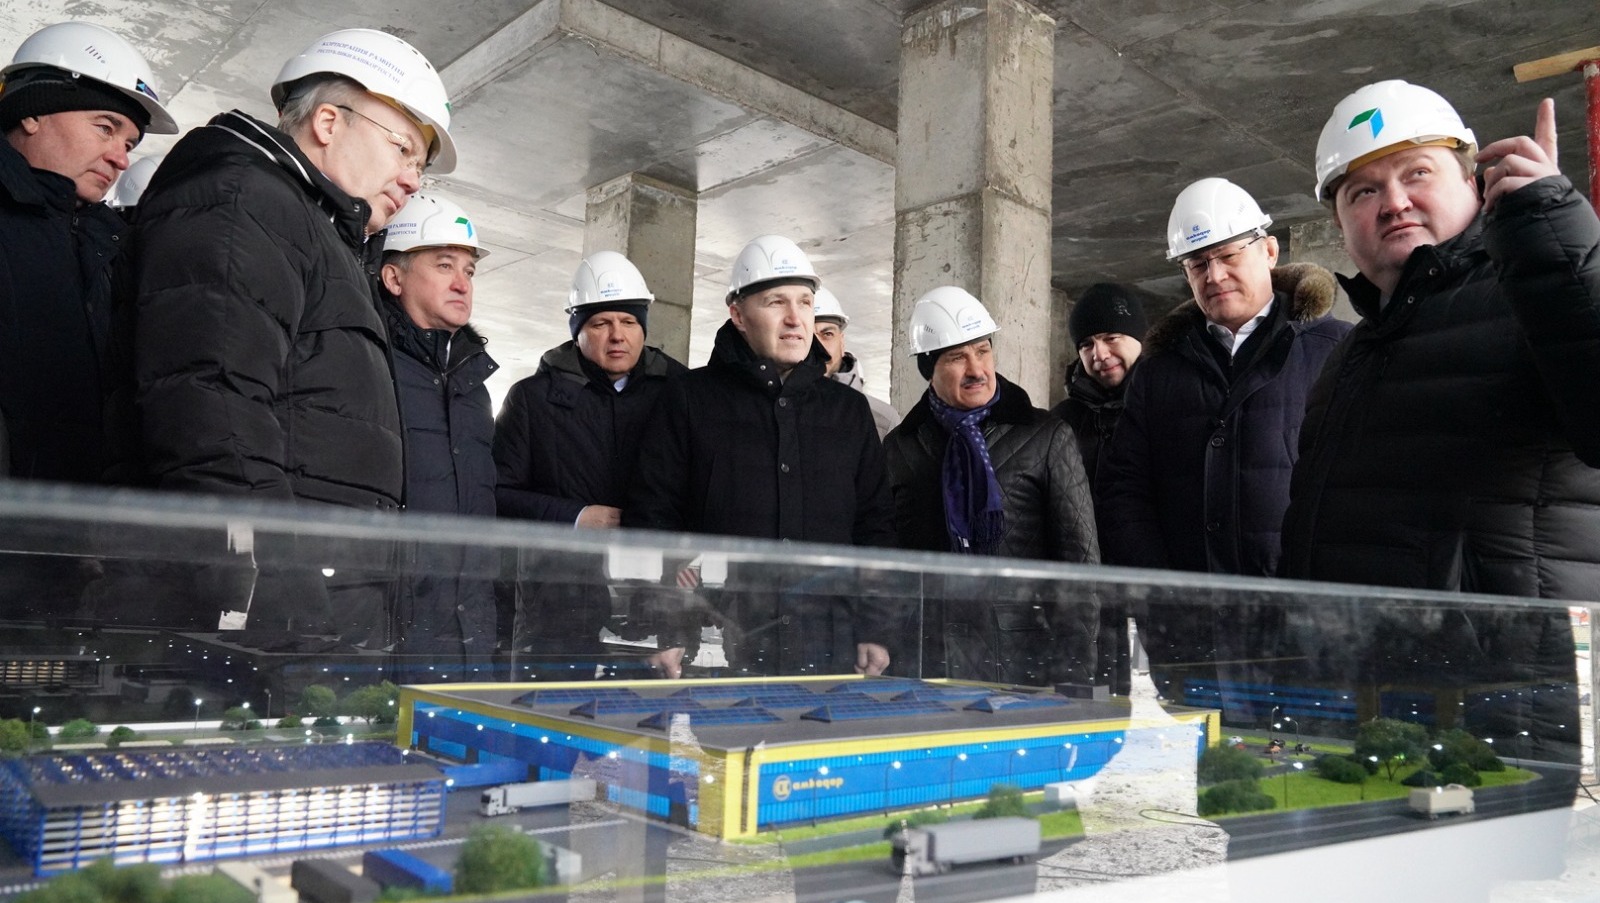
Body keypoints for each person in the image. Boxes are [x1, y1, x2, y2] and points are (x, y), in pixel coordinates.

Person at [1281, 81, 1597, 760]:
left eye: (1417, 173)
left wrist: (1554, 238)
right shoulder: (1348, 358)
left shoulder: (1533, 294)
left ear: (1474, 182)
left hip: (1512, 719)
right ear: (1341, 224)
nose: (1393, 201)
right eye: (1362, 191)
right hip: (1375, 715)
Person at [121, 28, 456, 634]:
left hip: (323, 596)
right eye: (403, 148)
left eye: (420, 166)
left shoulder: (316, 234)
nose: (412, 179)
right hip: (276, 613)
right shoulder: (245, 202)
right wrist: (279, 591)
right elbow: (214, 404)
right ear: (328, 122)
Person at [625, 235, 895, 678]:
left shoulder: (848, 412)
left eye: (805, 302)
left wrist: (876, 627)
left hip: (831, 642)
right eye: (776, 302)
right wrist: (668, 626)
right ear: (738, 314)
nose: (795, 319)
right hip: (721, 639)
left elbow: (874, 526)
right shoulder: (689, 400)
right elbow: (654, 519)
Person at [1097, 177, 1351, 577]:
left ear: (1269, 251)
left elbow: (1366, 487)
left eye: (1228, 255)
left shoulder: (1336, 349)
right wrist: (1161, 587)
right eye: (1197, 264)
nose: (1213, 275)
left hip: (1302, 603)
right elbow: (1124, 490)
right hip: (1187, 605)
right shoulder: (1156, 372)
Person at [883, 286, 1100, 685]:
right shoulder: (900, 447)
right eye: (957, 357)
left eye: (983, 351)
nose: (977, 369)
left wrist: (1076, 674)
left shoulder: (1045, 436)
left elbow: (1079, 563)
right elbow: (888, 565)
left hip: (1020, 660)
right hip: (925, 662)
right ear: (929, 369)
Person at [493, 250, 687, 676]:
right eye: (600, 323)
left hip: (655, 611)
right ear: (577, 331)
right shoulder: (532, 400)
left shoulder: (680, 395)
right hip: (555, 609)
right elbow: (499, 494)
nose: (617, 335)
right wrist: (578, 517)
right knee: (549, 709)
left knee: (644, 714)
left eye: (629, 321)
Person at [0, 22, 177, 482]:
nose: (121, 159)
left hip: (72, 517)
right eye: (105, 128)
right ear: (33, 112)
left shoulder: (109, 249)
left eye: (129, 144)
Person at [379, 193, 498, 665]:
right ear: (394, 277)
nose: (462, 284)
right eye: (444, 265)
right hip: (391, 633)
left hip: (470, 634)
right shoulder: (370, 365)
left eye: (469, 271)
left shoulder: (475, 385)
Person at [1049, 283, 1149, 485]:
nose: (1100, 354)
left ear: (1140, 340)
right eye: (1087, 344)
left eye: (1111, 338)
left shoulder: (1174, 405)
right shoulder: (1061, 421)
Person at [813, 286, 901, 440]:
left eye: (827, 334)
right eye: (809, 337)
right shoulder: (777, 414)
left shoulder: (881, 422)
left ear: (842, 343)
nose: (819, 347)